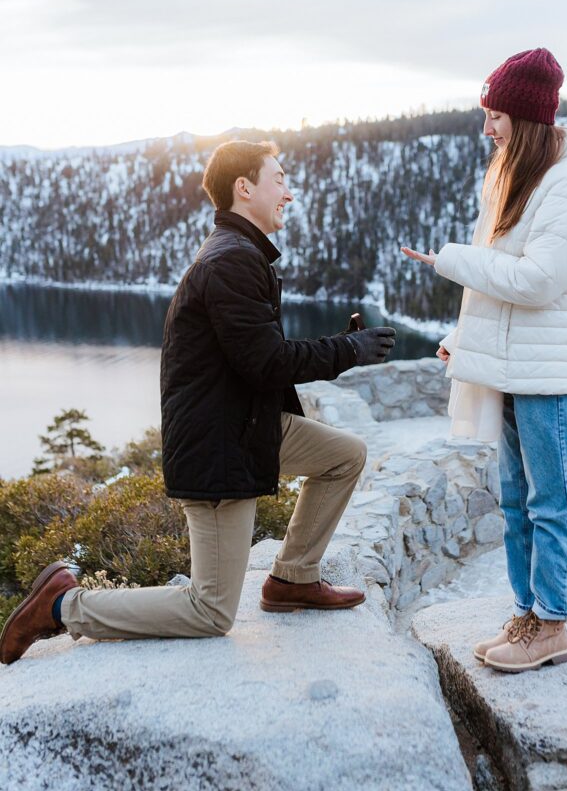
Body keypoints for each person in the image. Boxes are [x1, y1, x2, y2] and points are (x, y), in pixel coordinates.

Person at [1, 140, 396, 665]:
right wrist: (346, 349)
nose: (290, 193)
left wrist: (340, 349)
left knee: (344, 454)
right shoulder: (231, 261)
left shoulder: (241, 254)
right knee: (210, 611)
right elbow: (265, 362)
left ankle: (292, 579)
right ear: (244, 188)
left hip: (247, 427)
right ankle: (63, 606)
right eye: (280, 179)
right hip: (219, 447)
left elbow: (254, 358)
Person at [401, 48, 567, 673]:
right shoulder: (519, 179)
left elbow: (539, 281)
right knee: (519, 501)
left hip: (548, 377)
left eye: (494, 115)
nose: (486, 128)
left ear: (524, 118)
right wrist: (462, 337)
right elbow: (502, 289)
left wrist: (451, 259)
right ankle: (528, 614)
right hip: (515, 370)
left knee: (554, 501)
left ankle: (552, 623)